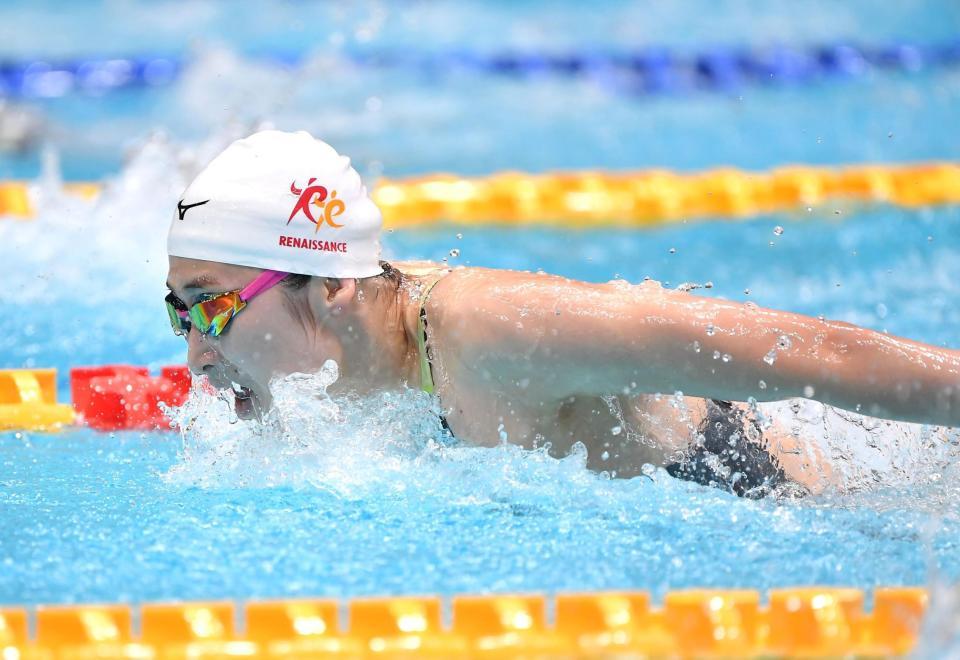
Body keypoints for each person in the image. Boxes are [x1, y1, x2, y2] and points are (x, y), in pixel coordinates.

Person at [165, 130, 960, 498]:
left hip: (811, 490)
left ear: (331, 285)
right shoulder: (334, 377)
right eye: (183, 316)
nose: (198, 360)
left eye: (215, 310)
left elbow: (814, 352)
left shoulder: (498, 330)